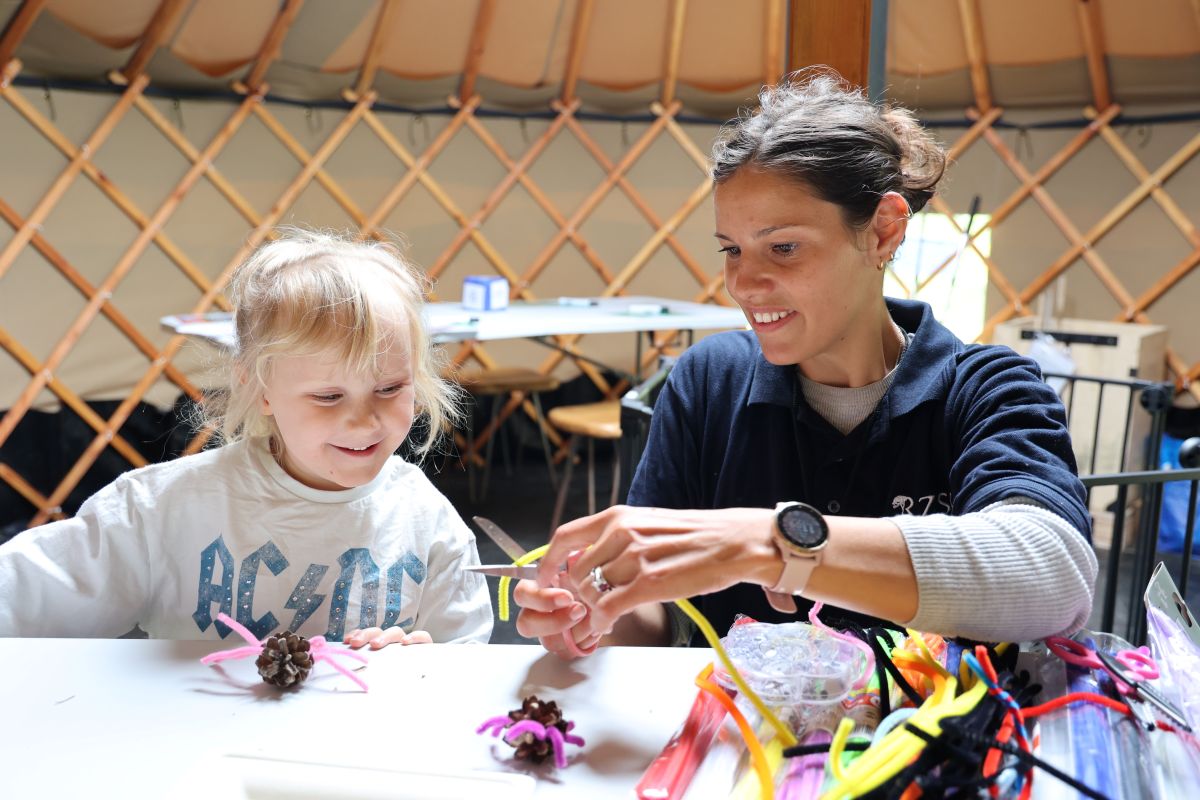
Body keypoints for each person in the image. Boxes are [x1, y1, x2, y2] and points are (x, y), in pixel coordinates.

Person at [514, 72, 1098, 657]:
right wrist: (594, 618)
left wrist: (770, 544)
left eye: (784, 247)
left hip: (927, 740)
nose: (743, 283)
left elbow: (1055, 575)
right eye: (731, 250)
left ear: (882, 231)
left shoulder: (989, 389)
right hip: (739, 740)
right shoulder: (708, 381)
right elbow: (654, 607)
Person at [0, 230, 493, 647]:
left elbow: (465, 667)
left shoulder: (428, 524)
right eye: (327, 397)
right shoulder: (165, 508)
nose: (364, 421)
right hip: (196, 749)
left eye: (389, 388)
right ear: (258, 389)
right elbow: (25, 594)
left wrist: (426, 665)